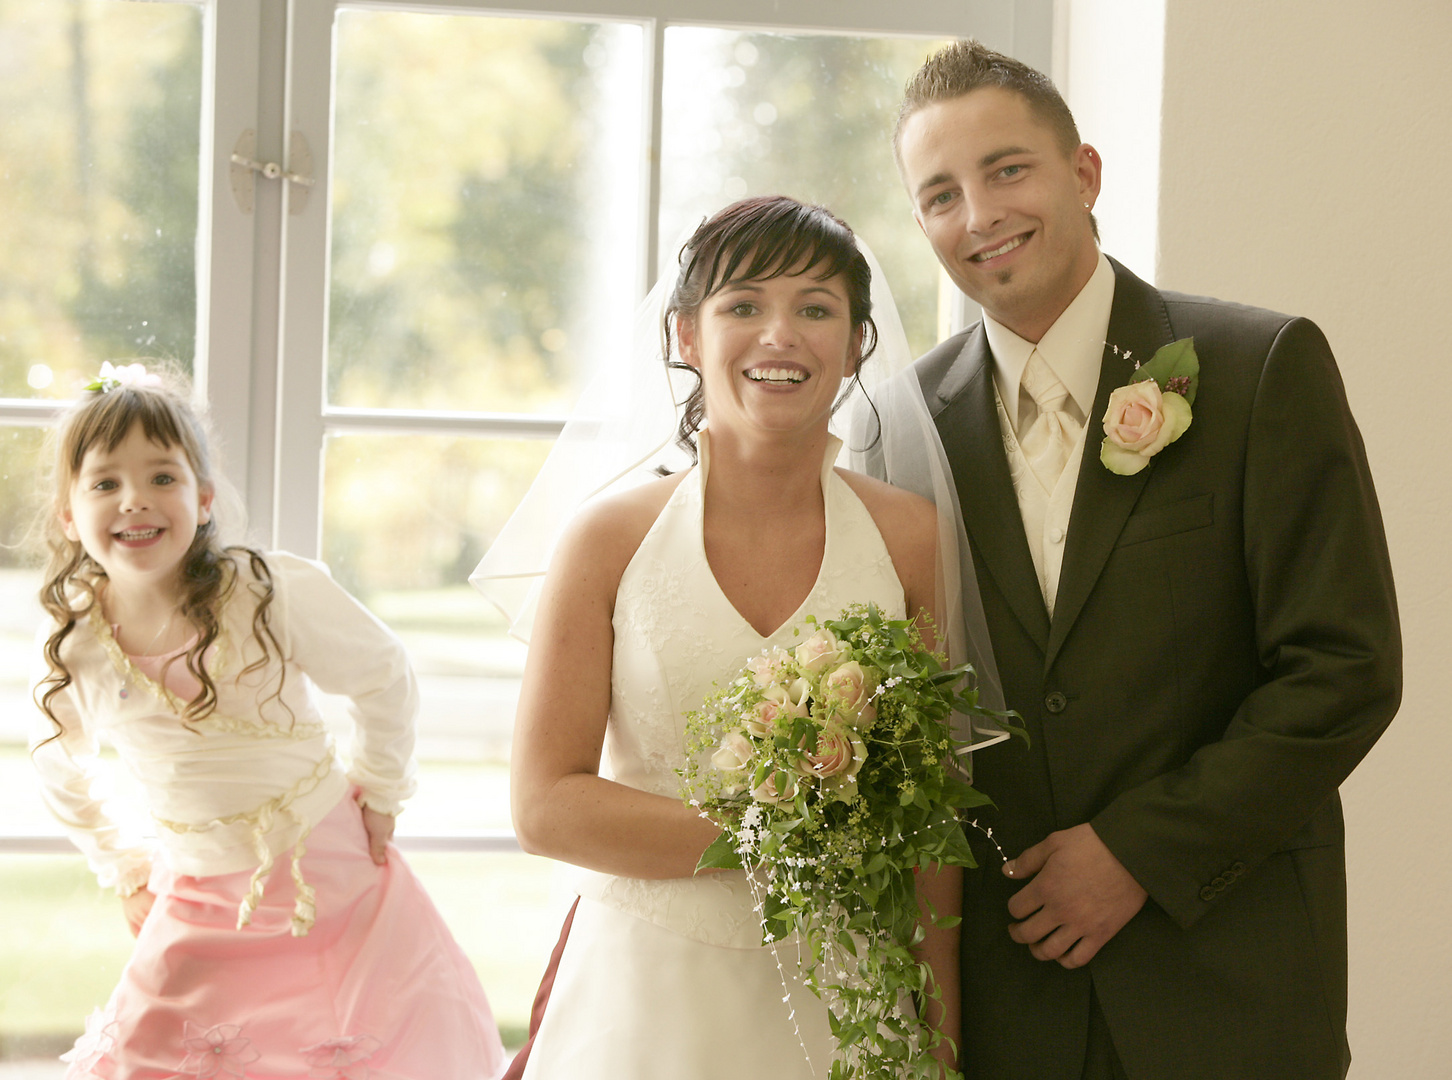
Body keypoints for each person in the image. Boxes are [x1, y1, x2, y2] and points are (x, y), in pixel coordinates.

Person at [881, 39, 1401, 1079]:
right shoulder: (901, 428)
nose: (978, 214)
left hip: (1229, 988)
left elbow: (1344, 671)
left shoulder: (1260, 369)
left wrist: (1137, 853)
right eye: (941, 193)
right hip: (1006, 1003)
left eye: (1008, 170)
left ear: (1084, 174)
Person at [481, 196, 960, 1079]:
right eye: (743, 305)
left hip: (844, 991)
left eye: (816, 308)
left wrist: (941, 1021)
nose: (780, 334)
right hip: (646, 992)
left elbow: (932, 812)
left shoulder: (910, 539)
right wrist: (768, 834)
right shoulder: (608, 538)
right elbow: (545, 805)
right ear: (686, 336)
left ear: (858, 342)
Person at [29, 365, 506, 1080]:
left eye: (162, 477)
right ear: (70, 514)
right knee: (151, 1055)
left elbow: (382, 672)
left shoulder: (265, 592)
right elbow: (57, 763)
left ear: (204, 497)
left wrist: (379, 789)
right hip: (195, 892)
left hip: (330, 876)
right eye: (105, 484)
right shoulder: (82, 644)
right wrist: (123, 864)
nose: (136, 501)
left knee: (351, 1046)